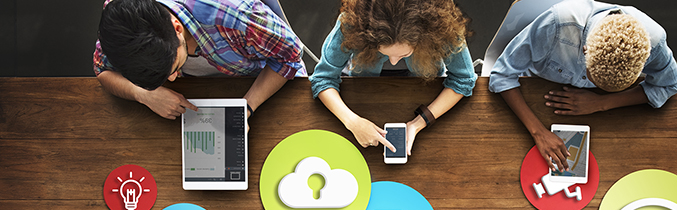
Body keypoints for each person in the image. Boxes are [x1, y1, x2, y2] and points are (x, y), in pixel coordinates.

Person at [489, 0, 677, 172]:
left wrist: (603, 103)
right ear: (585, 51)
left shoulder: (654, 42)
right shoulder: (557, 24)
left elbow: (669, 85)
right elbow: (502, 74)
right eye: (593, 79)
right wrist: (538, 133)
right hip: (534, 85)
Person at [309, 0, 477, 155]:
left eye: (404, 54)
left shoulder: (442, 27)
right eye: (384, 52)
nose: (394, 62)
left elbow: (463, 79)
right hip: (362, 86)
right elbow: (323, 78)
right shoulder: (352, 23)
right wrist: (352, 122)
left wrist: (418, 123)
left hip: (425, 89)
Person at [93, 0, 306, 119]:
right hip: (197, 93)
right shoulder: (121, 24)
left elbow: (290, 56)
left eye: (173, 68)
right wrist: (145, 95)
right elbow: (102, 69)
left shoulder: (237, 15)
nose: (173, 79)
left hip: (262, 81)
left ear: (177, 28)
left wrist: (245, 108)